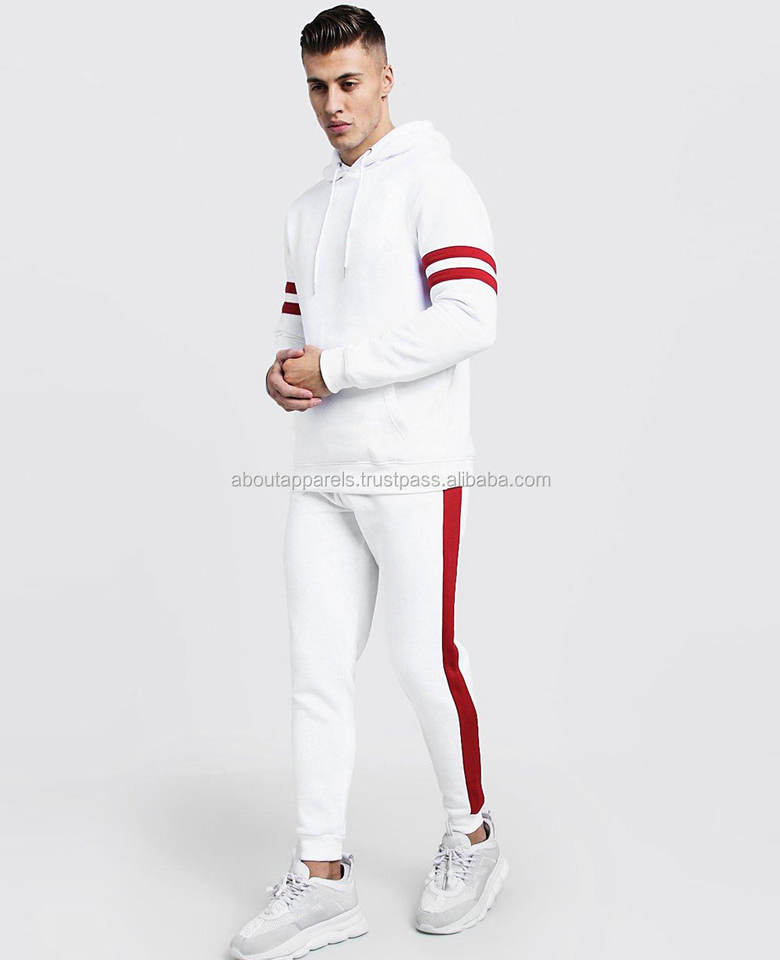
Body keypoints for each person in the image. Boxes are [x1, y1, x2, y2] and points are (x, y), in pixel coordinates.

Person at [230, 6, 508, 958]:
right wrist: (282, 373)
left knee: (424, 663)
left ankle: (474, 835)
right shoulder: (306, 210)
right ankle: (321, 879)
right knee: (316, 675)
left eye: (349, 82)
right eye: (317, 87)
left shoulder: (436, 183)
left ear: (386, 78)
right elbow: (296, 329)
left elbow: (472, 316)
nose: (333, 103)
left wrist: (337, 367)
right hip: (322, 477)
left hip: (414, 467)